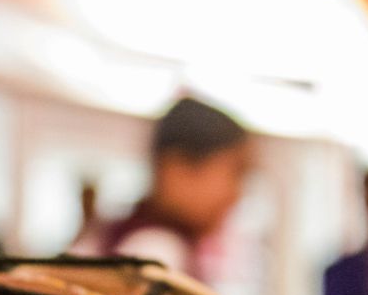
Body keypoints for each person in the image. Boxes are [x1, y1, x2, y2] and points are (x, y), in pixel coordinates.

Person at [78, 96, 252, 282]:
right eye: (236, 174)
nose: (236, 195)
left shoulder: (110, 234)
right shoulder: (156, 253)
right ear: (177, 169)